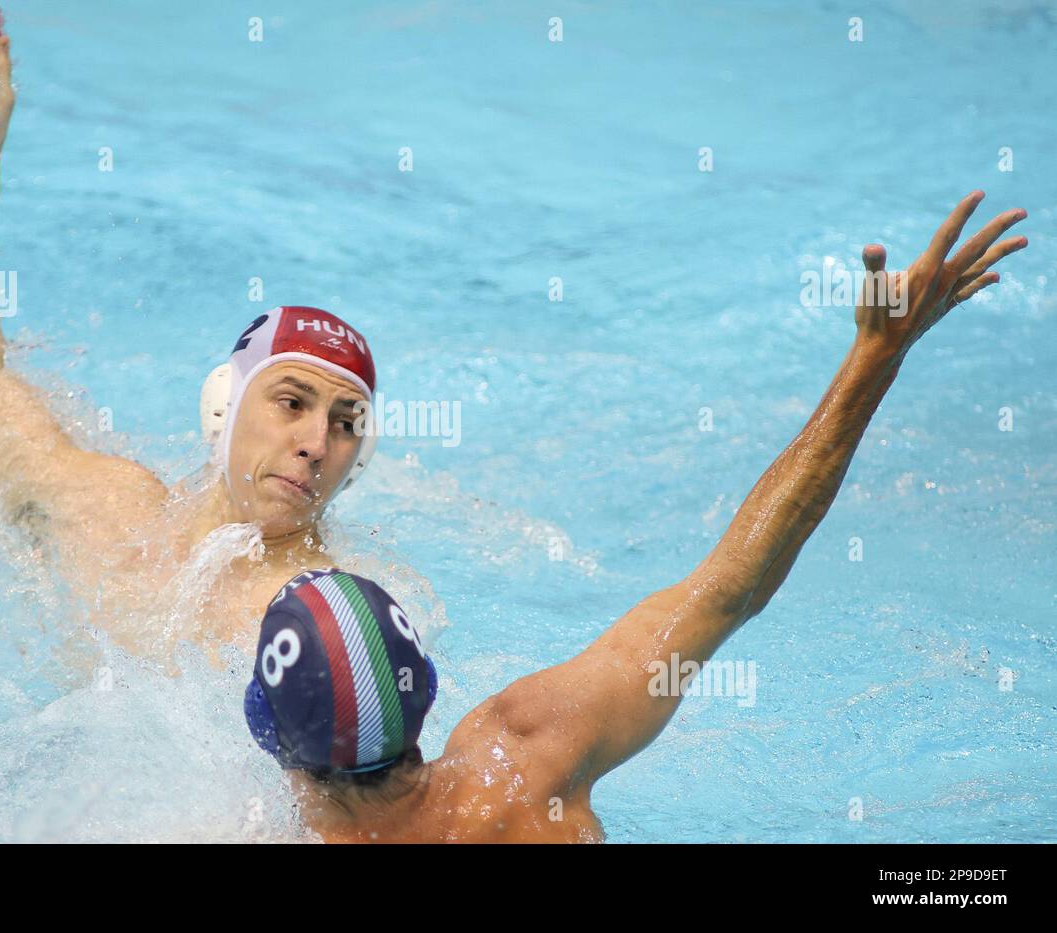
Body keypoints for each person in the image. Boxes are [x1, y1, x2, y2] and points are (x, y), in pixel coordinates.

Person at [243, 192, 1028, 841]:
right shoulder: (526, 757)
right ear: (425, 686)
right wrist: (873, 359)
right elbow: (731, 587)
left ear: (271, 739)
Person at [0, 36, 382, 662]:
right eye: (292, 402)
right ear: (223, 406)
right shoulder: (103, 510)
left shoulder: (330, 633)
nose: (317, 443)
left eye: (346, 426)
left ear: (358, 460)